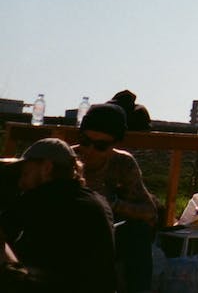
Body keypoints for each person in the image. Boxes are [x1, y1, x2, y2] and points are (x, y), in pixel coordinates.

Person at [0, 138, 117, 293]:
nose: (21, 182)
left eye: (26, 173)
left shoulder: (41, 196)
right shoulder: (99, 201)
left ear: (46, 168)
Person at [74, 103, 157, 293]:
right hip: (71, 235)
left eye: (100, 146)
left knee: (138, 232)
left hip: (108, 235)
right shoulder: (68, 160)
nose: (90, 150)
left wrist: (112, 203)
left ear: (114, 145)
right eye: (85, 142)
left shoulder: (123, 164)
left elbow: (149, 213)